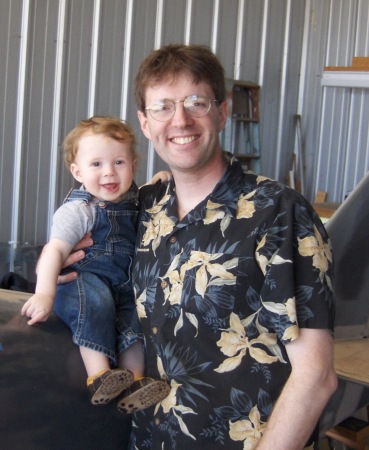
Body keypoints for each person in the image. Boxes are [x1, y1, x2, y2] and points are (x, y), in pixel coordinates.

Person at [61, 46, 338, 449]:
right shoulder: (143, 207)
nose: (180, 120)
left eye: (196, 102)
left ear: (222, 113)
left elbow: (316, 377)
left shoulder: (278, 212)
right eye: (163, 107)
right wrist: (65, 262)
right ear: (145, 122)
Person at [21, 116, 170, 412]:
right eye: (96, 164)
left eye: (119, 162)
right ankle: (99, 374)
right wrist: (44, 293)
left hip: (122, 285)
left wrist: (156, 183)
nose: (109, 173)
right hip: (84, 282)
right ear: (77, 171)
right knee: (97, 305)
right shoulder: (80, 209)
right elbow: (54, 251)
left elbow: (140, 198)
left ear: (133, 166)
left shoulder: (132, 200)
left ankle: (134, 383)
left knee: (135, 321)